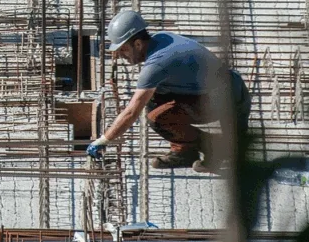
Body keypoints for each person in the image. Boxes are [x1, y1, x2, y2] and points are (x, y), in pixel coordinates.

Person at [86, 10, 252, 172]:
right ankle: (185, 152)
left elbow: (131, 113)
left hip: (227, 102)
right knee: (154, 97)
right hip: (228, 88)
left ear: (138, 43)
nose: (121, 55)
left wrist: (103, 140)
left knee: (156, 118)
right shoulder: (161, 37)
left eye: (123, 49)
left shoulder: (155, 65)